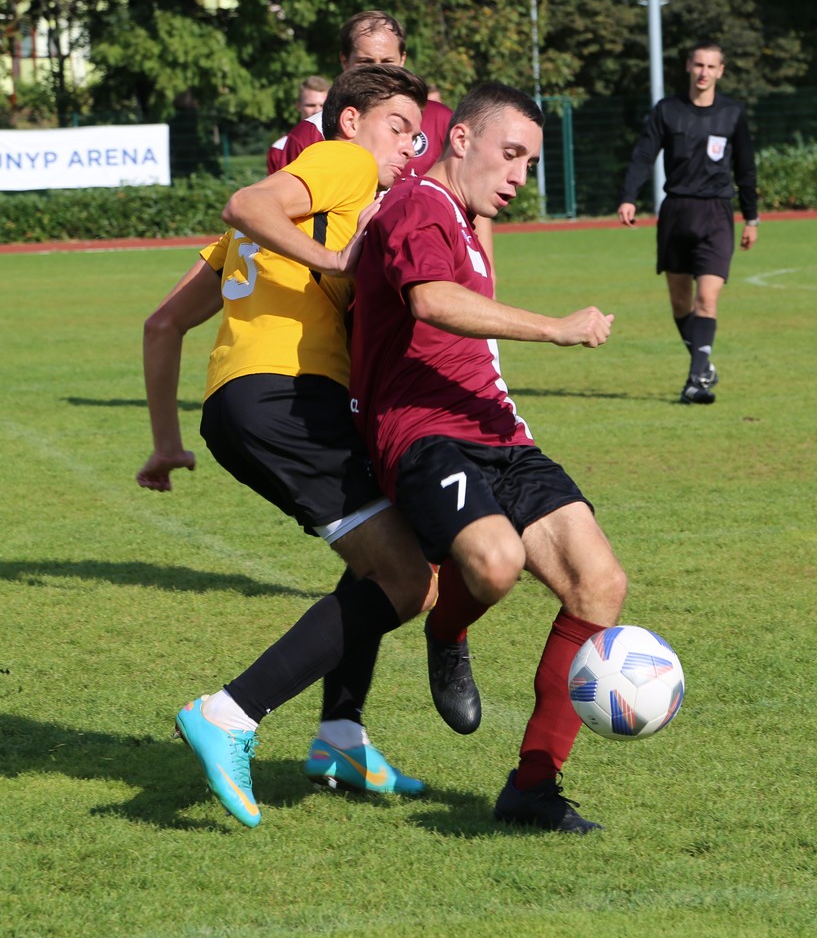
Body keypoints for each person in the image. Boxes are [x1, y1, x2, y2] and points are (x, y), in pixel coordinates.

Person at [136, 64, 475, 827]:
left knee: (396, 549)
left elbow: (162, 325)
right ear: (349, 121)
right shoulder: (341, 164)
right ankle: (230, 713)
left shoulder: (287, 221)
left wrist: (165, 442)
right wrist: (340, 262)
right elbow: (245, 201)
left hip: (243, 403)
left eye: (416, 134)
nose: (409, 147)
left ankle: (340, 737)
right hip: (289, 396)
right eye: (398, 128)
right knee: (406, 579)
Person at [350, 83, 629, 833]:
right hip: (421, 431)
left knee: (600, 584)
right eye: (510, 155)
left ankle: (533, 786)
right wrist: (556, 327)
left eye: (530, 163)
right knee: (495, 564)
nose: (518, 176)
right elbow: (430, 300)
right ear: (462, 139)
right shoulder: (418, 204)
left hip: (499, 429)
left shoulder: (470, 223)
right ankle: (447, 630)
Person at [617, 40, 760, 405]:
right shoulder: (667, 110)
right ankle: (703, 362)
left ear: (721, 71)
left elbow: (745, 169)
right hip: (676, 213)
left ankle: (696, 381)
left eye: (711, 67)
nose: (703, 73)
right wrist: (629, 196)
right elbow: (644, 154)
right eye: (698, 65)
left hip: (717, 214)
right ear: (688, 66)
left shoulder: (733, 114)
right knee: (680, 303)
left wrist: (751, 218)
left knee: (706, 300)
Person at [267, 11, 453, 182]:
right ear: (345, 62)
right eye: (366, 62)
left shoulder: (440, 119)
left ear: (402, 60)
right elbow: (282, 202)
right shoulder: (310, 133)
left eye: (388, 61)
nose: (379, 72)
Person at [266, 75, 330, 168]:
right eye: (311, 105)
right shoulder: (279, 149)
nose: (317, 111)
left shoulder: (341, 141)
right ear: (298, 106)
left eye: (322, 105)